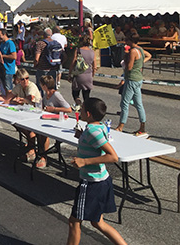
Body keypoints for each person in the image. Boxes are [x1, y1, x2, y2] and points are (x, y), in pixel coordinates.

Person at [67, 98, 126, 245]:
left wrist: (84, 161)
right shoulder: (99, 127)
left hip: (92, 183)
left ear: (88, 114)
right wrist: (82, 136)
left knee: (74, 221)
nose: (79, 111)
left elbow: (113, 157)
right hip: (101, 181)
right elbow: (96, 145)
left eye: (81, 109)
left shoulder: (92, 131)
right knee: (97, 222)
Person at [115, 33, 151, 137]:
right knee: (138, 103)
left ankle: (120, 126)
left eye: (127, 40)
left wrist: (125, 57)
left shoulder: (133, 51)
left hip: (131, 79)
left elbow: (129, 67)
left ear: (131, 40)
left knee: (124, 103)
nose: (125, 42)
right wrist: (140, 63)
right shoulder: (140, 49)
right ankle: (142, 126)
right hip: (138, 78)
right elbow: (148, 56)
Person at [4, 68, 42, 162]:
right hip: (25, 112)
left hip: (36, 111)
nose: (25, 81)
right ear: (18, 80)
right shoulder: (18, 87)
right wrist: (11, 101)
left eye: (27, 78)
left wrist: (19, 100)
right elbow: (8, 99)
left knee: (28, 129)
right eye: (22, 79)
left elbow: (30, 98)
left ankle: (32, 149)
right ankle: (31, 143)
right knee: (15, 123)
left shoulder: (31, 86)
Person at [35, 75, 72, 169]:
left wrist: (54, 109)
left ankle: (44, 156)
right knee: (36, 130)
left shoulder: (56, 95)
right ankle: (38, 152)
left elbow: (69, 109)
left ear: (44, 86)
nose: (40, 86)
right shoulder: (45, 95)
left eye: (41, 84)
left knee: (42, 133)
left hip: (57, 122)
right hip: (48, 120)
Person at [69, 34, 95, 105]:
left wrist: (70, 73)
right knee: (86, 95)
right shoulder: (92, 52)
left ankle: (78, 104)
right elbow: (94, 66)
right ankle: (86, 108)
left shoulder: (78, 50)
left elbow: (73, 63)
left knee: (75, 93)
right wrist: (92, 74)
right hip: (88, 75)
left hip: (78, 75)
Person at [34, 28, 61, 97]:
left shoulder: (40, 43)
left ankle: (42, 101)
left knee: (40, 88)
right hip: (53, 68)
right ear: (51, 35)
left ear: (43, 35)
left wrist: (35, 65)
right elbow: (64, 56)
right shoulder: (56, 43)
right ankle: (52, 100)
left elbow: (37, 58)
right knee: (52, 88)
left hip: (42, 69)